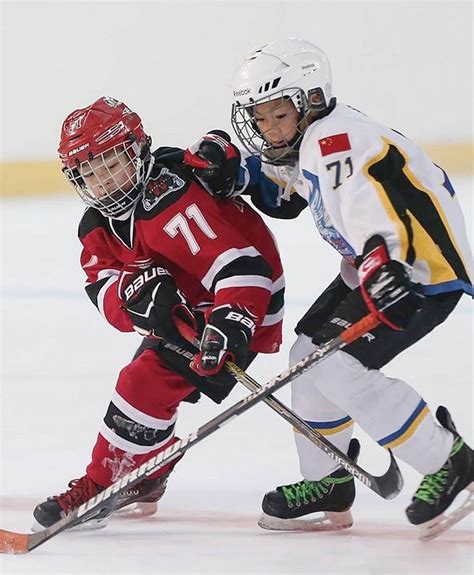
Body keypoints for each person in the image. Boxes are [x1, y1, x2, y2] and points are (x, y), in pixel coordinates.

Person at [195, 38, 473, 536]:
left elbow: (371, 205)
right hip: (379, 264)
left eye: (279, 115)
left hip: (418, 271)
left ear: (312, 100)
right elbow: (288, 191)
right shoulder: (318, 137)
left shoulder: (337, 140)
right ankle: (328, 480)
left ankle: (447, 460)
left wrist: (384, 266)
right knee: (307, 355)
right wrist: (234, 171)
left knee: (339, 368)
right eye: (260, 118)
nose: (269, 128)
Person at [33, 96, 285, 530]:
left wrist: (232, 321)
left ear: (137, 149)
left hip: (241, 306)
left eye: (111, 164)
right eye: (89, 174)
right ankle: (146, 477)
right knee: (146, 391)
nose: (103, 183)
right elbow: (103, 288)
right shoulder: (97, 226)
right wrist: (135, 305)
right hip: (192, 308)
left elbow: (242, 267)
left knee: (140, 383)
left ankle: (100, 483)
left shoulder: (171, 201)